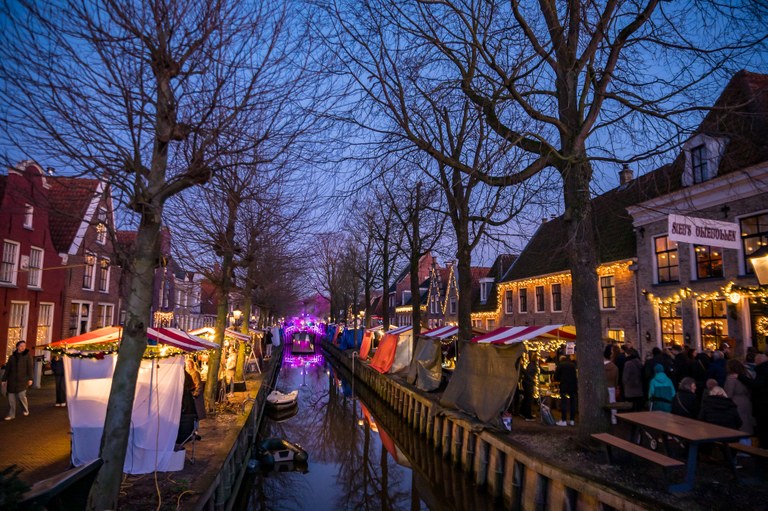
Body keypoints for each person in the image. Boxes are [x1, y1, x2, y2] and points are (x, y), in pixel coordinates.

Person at [2, 341, 34, 420]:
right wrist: (4, 379)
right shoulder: (12, 357)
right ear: (17, 347)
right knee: (11, 399)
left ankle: (25, 409)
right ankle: (11, 414)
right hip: (12, 381)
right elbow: (7, 369)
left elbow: (30, 368)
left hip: (22, 380)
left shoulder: (27, 356)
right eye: (21, 346)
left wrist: (30, 378)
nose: (23, 347)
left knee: (21, 396)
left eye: (24, 346)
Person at [724, 359, 754, 441]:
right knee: (747, 424)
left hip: (736, 403)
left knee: (740, 426)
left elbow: (729, 394)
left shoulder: (731, 378)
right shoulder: (747, 375)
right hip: (747, 402)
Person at [554, 355, 577, 426]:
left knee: (564, 402)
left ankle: (563, 420)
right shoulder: (572, 365)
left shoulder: (560, 365)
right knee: (573, 403)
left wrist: (559, 380)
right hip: (573, 386)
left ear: (560, 360)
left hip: (564, 386)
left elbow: (556, 377)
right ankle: (572, 420)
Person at [751, 353, 768, 448]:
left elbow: (756, 385)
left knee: (763, 429)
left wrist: (741, 377)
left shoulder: (761, 371)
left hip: (762, 405)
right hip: (762, 404)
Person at [603, 345, 619, 424]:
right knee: (612, 403)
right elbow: (616, 380)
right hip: (611, 387)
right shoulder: (615, 368)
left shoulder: (600, 367)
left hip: (602, 387)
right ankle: (613, 419)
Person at [519, 352, 537, 422]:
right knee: (528, 399)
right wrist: (532, 380)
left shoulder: (531, 364)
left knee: (527, 398)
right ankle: (527, 415)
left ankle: (523, 412)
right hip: (528, 383)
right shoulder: (532, 365)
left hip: (527, 382)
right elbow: (527, 374)